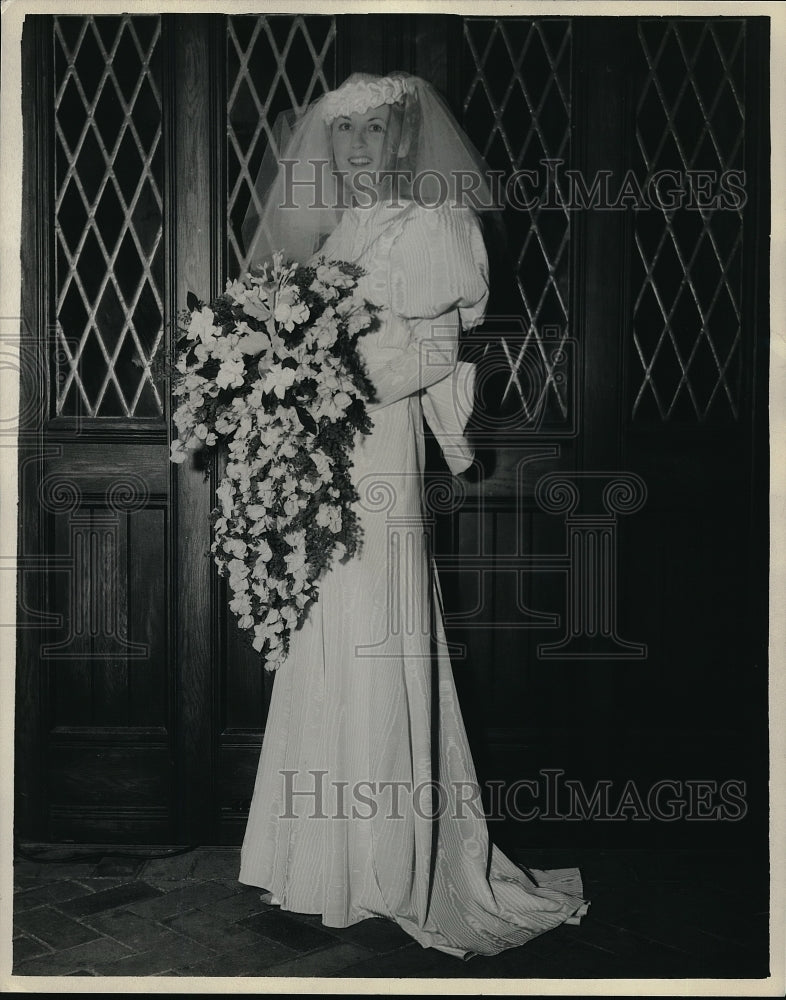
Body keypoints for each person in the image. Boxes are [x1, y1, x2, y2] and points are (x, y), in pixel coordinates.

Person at [238, 71, 589, 961]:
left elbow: (441, 344)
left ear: (400, 140)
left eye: (372, 131)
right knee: (324, 636)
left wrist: (343, 382)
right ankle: (321, 867)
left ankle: (393, 867)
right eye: (341, 130)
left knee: (380, 634)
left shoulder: (431, 223)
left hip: (379, 454)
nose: (356, 147)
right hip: (327, 458)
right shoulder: (339, 228)